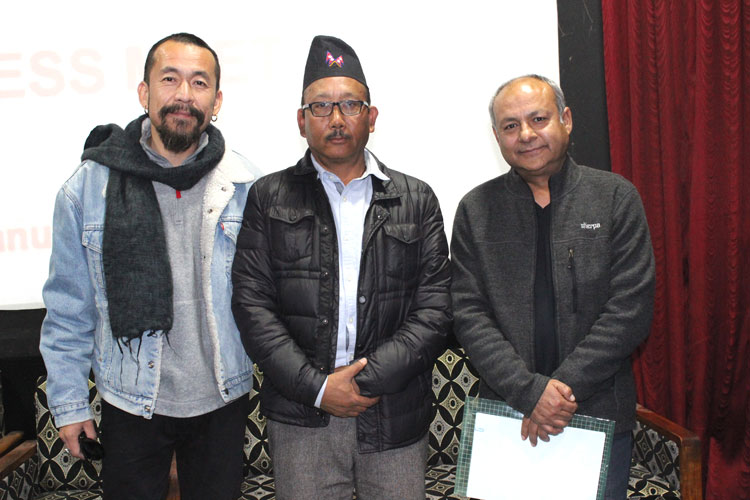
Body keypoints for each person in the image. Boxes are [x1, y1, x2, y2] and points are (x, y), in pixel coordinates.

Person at [39, 33, 262, 500]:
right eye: (169, 79)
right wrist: (70, 404)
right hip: (130, 398)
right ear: (144, 92)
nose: (184, 94)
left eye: (199, 82)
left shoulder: (246, 186)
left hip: (221, 398)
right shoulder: (87, 189)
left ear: (217, 100)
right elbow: (68, 309)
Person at [231, 35, 451, 500]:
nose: (336, 119)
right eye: (321, 106)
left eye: (350, 105)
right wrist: (318, 388)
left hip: (392, 412)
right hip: (302, 416)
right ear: (301, 120)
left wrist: (364, 381)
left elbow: (435, 309)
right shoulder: (269, 197)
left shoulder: (416, 199)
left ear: (372, 117)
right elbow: (252, 305)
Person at [451, 74, 655, 500]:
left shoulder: (615, 198)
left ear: (566, 119)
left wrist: (558, 393)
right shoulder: (475, 210)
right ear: (497, 137)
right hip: (507, 418)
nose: (526, 134)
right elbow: (469, 315)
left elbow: (630, 310)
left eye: (538, 119)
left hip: (597, 415)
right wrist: (530, 394)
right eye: (510, 126)